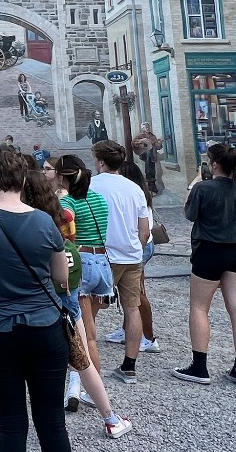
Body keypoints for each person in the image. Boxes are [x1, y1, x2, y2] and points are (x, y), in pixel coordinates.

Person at [0, 149, 71, 451]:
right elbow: (61, 276)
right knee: (52, 422)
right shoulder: (44, 222)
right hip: (44, 325)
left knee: (10, 423)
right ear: (23, 179)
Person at [21, 171, 134, 439]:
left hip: (33, 312)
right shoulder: (59, 234)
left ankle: (41, 421)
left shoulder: (23, 230)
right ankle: (110, 418)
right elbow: (66, 278)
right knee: (83, 360)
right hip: (67, 311)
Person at [173, 143, 236, 388]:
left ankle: (199, 366)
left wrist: (195, 182)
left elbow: (189, 214)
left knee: (199, 308)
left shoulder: (203, 188)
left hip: (210, 250)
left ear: (215, 164)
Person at [88, 141, 152, 385]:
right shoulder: (134, 188)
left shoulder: (92, 185)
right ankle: (129, 365)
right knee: (132, 308)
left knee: (90, 308)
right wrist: (136, 249)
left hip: (103, 255)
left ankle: (87, 361)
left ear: (100, 161)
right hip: (131, 255)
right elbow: (144, 230)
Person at [55, 154, 113, 389]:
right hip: (102, 263)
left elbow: (66, 218)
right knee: (88, 329)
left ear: (62, 177)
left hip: (83, 262)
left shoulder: (69, 201)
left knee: (86, 336)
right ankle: (79, 383)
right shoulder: (98, 198)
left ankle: (92, 387)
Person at [105, 162, 162, 354]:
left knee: (137, 293)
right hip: (140, 245)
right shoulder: (137, 193)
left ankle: (149, 337)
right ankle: (127, 329)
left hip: (138, 246)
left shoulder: (133, 194)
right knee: (130, 294)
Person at [133, 122, 163, 193]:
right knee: (149, 159)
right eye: (146, 127)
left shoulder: (153, 136)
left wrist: (159, 143)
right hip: (143, 154)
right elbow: (133, 143)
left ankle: (152, 184)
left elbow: (157, 147)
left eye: (148, 127)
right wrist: (141, 141)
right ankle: (151, 183)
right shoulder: (140, 136)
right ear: (143, 128)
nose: (148, 128)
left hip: (152, 155)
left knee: (151, 166)